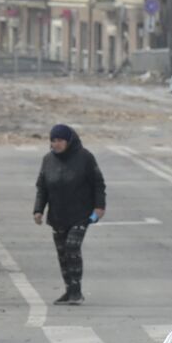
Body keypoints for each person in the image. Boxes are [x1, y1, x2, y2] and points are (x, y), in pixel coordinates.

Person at [33, 124, 106, 304]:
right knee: (62, 253)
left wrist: (99, 207)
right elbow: (42, 188)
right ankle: (69, 290)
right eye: (53, 140)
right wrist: (38, 209)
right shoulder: (48, 160)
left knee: (72, 247)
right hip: (58, 215)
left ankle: (76, 291)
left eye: (60, 140)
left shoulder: (85, 157)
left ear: (68, 141)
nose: (56, 144)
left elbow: (98, 183)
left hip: (81, 213)